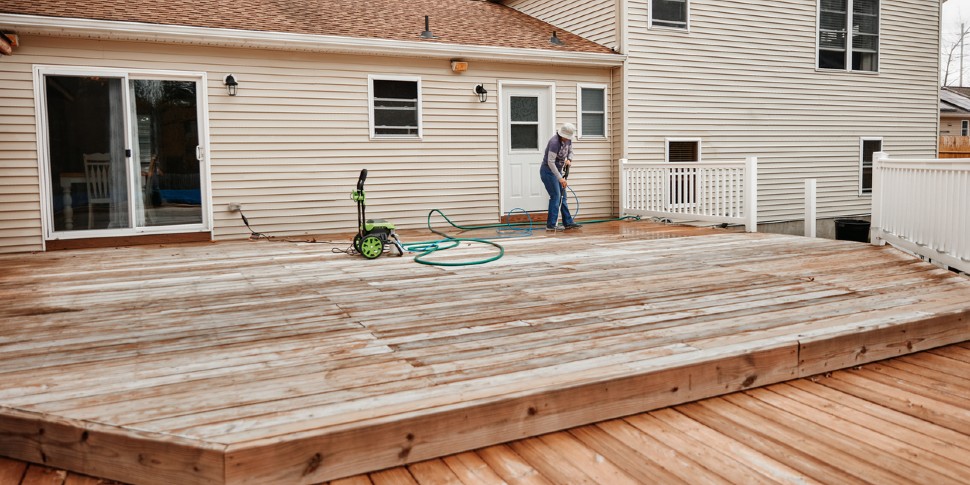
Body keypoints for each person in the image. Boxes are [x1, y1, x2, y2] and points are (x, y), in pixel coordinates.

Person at [539, 123, 582, 231]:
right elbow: (550, 162)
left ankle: (568, 222)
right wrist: (560, 178)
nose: (568, 139)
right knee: (556, 196)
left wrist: (569, 159)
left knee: (563, 197)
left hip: (557, 172)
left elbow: (571, 152)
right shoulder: (554, 142)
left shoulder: (568, 140)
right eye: (566, 137)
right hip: (548, 172)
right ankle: (551, 225)